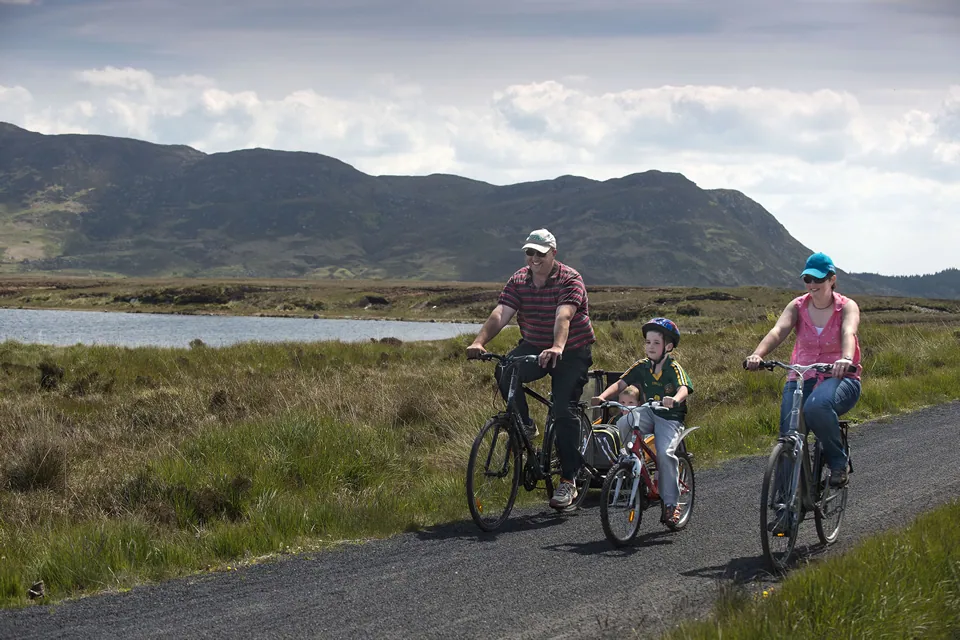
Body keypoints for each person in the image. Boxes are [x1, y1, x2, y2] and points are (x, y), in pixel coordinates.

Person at [466, 228, 595, 510]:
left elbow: (564, 315)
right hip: (535, 344)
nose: (534, 258)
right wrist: (479, 341)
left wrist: (558, 347)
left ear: (553, 254)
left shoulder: (570, 279)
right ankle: (525, 424)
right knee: (505, 369)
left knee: (563, 409)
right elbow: (501, 312)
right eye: (530, 253)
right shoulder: (519, 280)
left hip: (571, 351)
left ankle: (569, 480)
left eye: (540, 253)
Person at [744, 251, 862, 488]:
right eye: (807, 279)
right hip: (801, 375)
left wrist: (845, 358)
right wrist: (758, 354)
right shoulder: (797, 306)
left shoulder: (847, 307)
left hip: (840, 376)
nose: (812, 284)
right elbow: (778, 331)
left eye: (818, 279)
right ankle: (783, 507)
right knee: (789, 436)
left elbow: (849, 332)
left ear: (832, 279)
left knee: (817, 406)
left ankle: (838, 461)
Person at [592, 317, 693, 527]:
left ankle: (672, 504)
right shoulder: (642, 366)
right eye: (648, 342)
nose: (650, 347)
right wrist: (602, 397)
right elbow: (621, 383)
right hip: (649, 410)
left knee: (665, 454)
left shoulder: (673, 368)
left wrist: (675, 399)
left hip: (670, 417)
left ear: (669, 346)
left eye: (656, 343)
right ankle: (633, 462)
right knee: (624, 422)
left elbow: (683, 387)